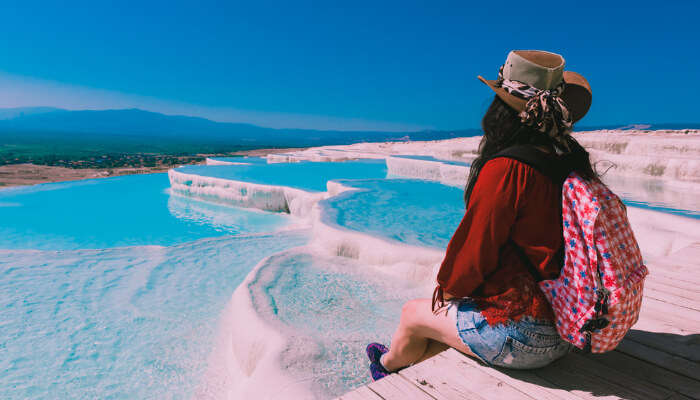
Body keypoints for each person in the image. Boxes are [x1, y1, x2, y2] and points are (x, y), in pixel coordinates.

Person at [366, 50, 597, 379]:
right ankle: (398, 365)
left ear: (501, 109)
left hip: (523, 336)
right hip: (570, 327)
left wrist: (446, 293)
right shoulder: (570, 160)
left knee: (412, 315)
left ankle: (382, 368)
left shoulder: (508, 168)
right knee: (436, 331)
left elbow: (476, 250)